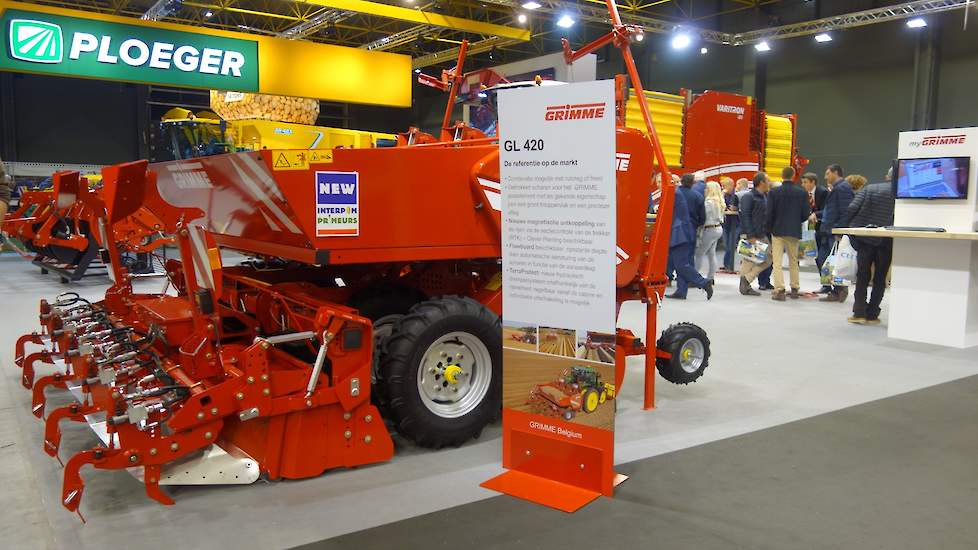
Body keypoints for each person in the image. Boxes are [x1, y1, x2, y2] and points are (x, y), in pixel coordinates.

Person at [845, 180, 895, 324]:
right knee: (880, 277)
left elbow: (852, 207)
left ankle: (859, 312)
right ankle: (873, 314)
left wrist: (848, 225)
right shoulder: (901, 193)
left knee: (862, 275)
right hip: (887, 239)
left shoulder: (871, 188)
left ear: (887, 176)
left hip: (866, 237)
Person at [765, 166, 811, 301]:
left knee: (777, 261)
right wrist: (796, 221)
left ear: (782, 175)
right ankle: (795, 288)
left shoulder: (774, 192)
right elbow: (805, 214)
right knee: (793, 260)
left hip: (777, 230)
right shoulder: (802, 192)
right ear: (793, 176)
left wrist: (769, 228)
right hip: (794, 230)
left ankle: (779, 290)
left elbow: (769, 213)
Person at [666, 182, 714, 300]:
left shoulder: (674, 193)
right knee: (682, 263)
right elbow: (701, 217)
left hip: (679, 234)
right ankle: (681, 291)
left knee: (681, 264)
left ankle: (703, 282)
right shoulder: (695, 195)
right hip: (687, 232)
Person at [819, 164, 855, 303]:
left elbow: (846, 211)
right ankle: (836, 289)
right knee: (825, 260)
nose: (825, 177)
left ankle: (839, 290)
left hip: (836, 231)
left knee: (834, 262)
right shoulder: (839, 188)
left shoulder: (842, 188)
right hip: (829, 231)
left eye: (828, 173)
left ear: (835, 173)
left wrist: (839, 230)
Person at [738, 172, 773, 296]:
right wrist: (750, 235)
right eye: (768, 181)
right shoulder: (749, 196)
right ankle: (745, 284)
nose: (769, 183)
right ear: (762, 182)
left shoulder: (763, 196)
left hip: (760, 233)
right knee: (750, 260)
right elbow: (745, 216)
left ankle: (746, 280)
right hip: (752, 234)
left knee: (766, 259)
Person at [801, 172, 829, 291]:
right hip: (810, 229)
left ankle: (827, 284)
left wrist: (814, 214)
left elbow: (827, 209)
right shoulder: (803, 194)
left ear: (813, 182)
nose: (803, 185)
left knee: (823, 257)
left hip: (822, 228)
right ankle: (825, 284)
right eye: (802, 182)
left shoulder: (823, 192)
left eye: (805, 182)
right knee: (816, 257)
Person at [695, 181, 724, 281]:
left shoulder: (708, 203)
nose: (705, 190)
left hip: (709, 229)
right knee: (712, 254)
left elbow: (703, 217)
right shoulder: (720, 201)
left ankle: (694, 277)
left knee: (699, 253)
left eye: (707, 188)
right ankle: (711, 277)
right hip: (718, 228)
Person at [720, 177, 739, 273]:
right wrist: (722, 195)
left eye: (724, 185)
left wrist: (736, 208)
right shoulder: (723, 195)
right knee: (726, 244)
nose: (723, 188)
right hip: (726, 223)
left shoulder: (736, 195)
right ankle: (726, 264)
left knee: (731, 245)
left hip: (735, 223)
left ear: (731, 185)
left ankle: (728, 265)